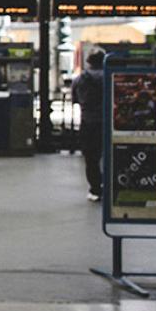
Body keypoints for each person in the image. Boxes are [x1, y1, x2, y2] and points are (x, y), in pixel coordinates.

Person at [71, 49, 105, 202]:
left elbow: (75, 100)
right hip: (109, 123)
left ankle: (95, 189)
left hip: (88, 122)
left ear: (89, 62)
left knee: (91, 158)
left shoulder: (80, 79)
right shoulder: (110, 76)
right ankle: (110, 186)